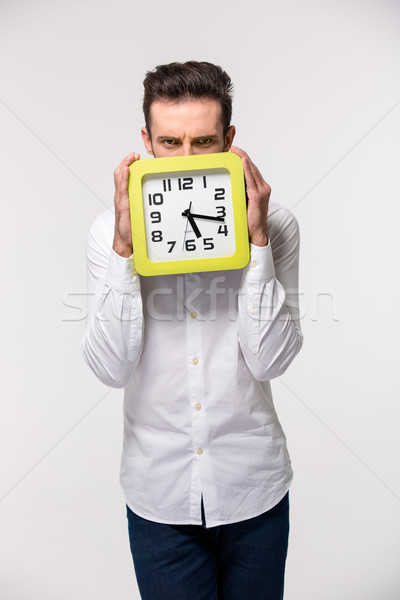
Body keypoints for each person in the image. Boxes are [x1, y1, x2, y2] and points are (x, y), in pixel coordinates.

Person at [81, 61, 303, 600]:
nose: (185, 161)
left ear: (230, 141)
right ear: (146, 143)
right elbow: (109, 368)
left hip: (254, 490)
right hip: (160, 497)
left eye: (203, 142)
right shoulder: (107, 234)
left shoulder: (276, 227)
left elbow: (272, 360)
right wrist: (123, 252)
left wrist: (256, 247)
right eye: (170, 142)